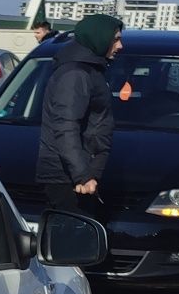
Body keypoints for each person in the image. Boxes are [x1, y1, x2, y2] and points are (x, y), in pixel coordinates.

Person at [36, 12, 122, 214]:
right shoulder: (76, 74)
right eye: (116, 39)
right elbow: (66, 126)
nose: (120, 46)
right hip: (67, 179)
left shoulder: (90, 69)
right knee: (69, 240)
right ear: (99, 38)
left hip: (80, 174)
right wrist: (82, 175)